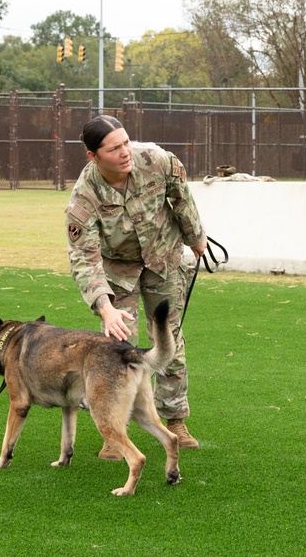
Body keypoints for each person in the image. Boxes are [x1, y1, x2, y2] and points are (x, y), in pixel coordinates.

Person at [65, 115, 207, 455]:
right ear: (93, 157)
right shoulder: (83, 198)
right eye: (114, 149)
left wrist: (196, 238)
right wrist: (106, 306)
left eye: (126, 142)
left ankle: (174, 420)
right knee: (115, 349)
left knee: (167, 338)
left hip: (164, 257)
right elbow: (83, 258)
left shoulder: (157, 160)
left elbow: (182, 197)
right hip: (119, 268)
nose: (125, 152)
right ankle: (116, 432)